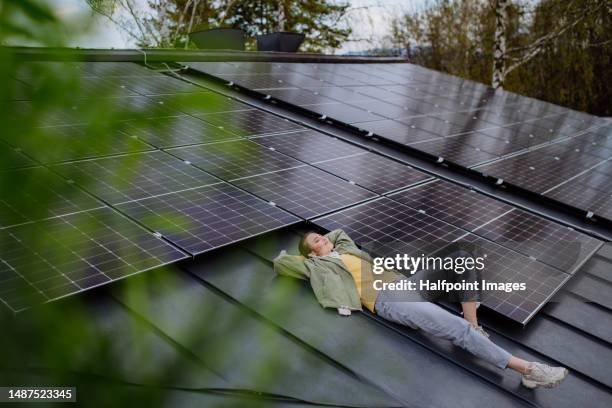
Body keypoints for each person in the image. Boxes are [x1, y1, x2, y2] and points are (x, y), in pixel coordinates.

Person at [274, 229, 569, 389]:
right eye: (316, 240)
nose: (323, 238)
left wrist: (327, 242)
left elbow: (338, 233)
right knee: (453, 328)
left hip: (407, 283)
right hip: (389, 300)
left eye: (320, 235)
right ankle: (528, 370)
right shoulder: (317, 265)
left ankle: (476, 326)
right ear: (311, 252)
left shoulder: (345, 248)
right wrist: (309, 254)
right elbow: (283, 263)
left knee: (461, 257)